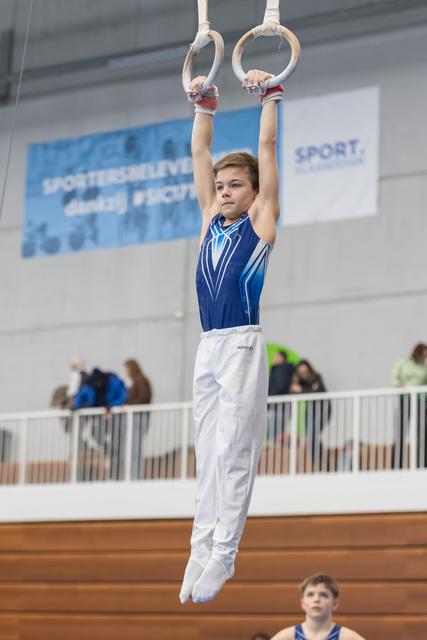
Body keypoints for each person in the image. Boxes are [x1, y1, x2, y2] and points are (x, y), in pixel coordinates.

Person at [179, 69, 282, 604]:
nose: (223, 192)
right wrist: (205, 103)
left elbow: (267, 145)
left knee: (234, 451)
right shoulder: (207, 219)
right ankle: (199, 547)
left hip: (242, 343)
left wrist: (270, 96)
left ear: (256, 193)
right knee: (206, 455)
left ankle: (224, 553)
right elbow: (200, 154)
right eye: (220, 186)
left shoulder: (261, 220)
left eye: (235, 185)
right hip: (208, 347)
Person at [271, 574, 366, 640]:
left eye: (323, 595)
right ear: (303, 603)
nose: (316, 599)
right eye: (310, 594)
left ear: (335, 604)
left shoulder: (348, 637)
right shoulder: (286, 637)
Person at [391, 343, 427, 468]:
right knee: (401, 432)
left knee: (422, 433)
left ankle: (422, 464)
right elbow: (395, 378)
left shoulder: (424, 367)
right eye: (424, 353)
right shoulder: (403, 363)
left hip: (421, 401)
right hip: (405, 399)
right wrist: (400, 386)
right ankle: (397, 465)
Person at [291, 361, 330, 471]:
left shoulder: (316, 377)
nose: (304, 373)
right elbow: (292, 392)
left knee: (313, 434)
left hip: (322, 409)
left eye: (305, 370)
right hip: (311, 410)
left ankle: (320, 462)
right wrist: (305, 389)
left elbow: (319, 392)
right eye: (301, 371)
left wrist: (301, 390)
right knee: (311, 436)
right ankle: (317, 463)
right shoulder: (300, 381)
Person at [124, 358, 152, 479]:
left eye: (126, 369)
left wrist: (129, 405)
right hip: (136, 418)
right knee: (133, 448)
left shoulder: (141, 380)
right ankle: (134, 475)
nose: (125, 372)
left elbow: (143, 398)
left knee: (135, 448)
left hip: (138, 418)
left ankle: (136, 476)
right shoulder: (137, 381)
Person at [267, 351, 295, 442]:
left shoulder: (281, 369)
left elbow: (281, 385)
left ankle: (294, 440)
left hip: (278, 406)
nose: (274, 359)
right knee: (274, 433)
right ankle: (291, 441)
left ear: (282, 358)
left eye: (276, 357)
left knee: (273, 433)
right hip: (279, 406)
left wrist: (270, 397)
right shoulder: (280, 370)